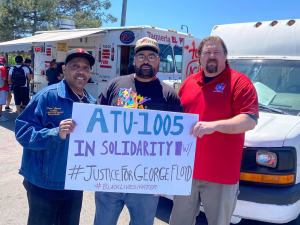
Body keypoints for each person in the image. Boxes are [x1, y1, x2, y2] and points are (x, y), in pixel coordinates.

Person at [169, 36, 259, 225]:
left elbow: (249, 120)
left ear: (225, 56)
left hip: (221, 176)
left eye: (217, 52)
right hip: (186, 171)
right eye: (207, 52)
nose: (212, 56)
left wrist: (215, 125)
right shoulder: (189, 83)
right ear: (199, 57)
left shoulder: (240, 83)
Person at [94, 37, 183, 225]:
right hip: (111, 175)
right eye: (141, 56)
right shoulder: (115, 85)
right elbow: (93, 122)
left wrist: (167, 178)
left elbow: (177, 141)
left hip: (147, 180)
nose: (146, 61)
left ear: (158, 62)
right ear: (134, 60)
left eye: (151, 57)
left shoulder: (169, 95)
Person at [15, 48, 95, 225]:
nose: (81, 71)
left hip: (75, 183)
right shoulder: (47, 96)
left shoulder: (92, 104)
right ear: (64, 69)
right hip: (44, 184)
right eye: (75, 66)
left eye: (86, 67)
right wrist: (54, 133)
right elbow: (22, 132)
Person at [0, 56, 9, 121]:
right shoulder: (3, 68)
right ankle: (0, 116)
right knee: (0, 103)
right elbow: (4, 78)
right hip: (1, 87)